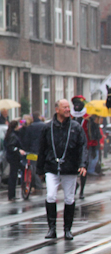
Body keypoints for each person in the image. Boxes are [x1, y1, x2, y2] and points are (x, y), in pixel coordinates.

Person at [37, 99, 87, 240]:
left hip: (69, 167)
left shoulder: (76, 127)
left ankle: (67, 229)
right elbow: (42, 149)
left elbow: (82, 146)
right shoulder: (48, 128)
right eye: (64, 107)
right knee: (51, 195)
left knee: (69, 198)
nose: (67, 109)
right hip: (52, 167)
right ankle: (52, 228)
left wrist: (82, 164)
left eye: (68, 107)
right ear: (57, 109)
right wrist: (40, 170)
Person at [4, 120, 25, 201]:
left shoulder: (10, 134)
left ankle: (12, 194)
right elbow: (11, 147)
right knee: (13, 176)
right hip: (14, 158)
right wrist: (18, 150)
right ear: (15, 127)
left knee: (14, 175)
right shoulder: (13, 136)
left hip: (11, 157)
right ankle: (12, 195)